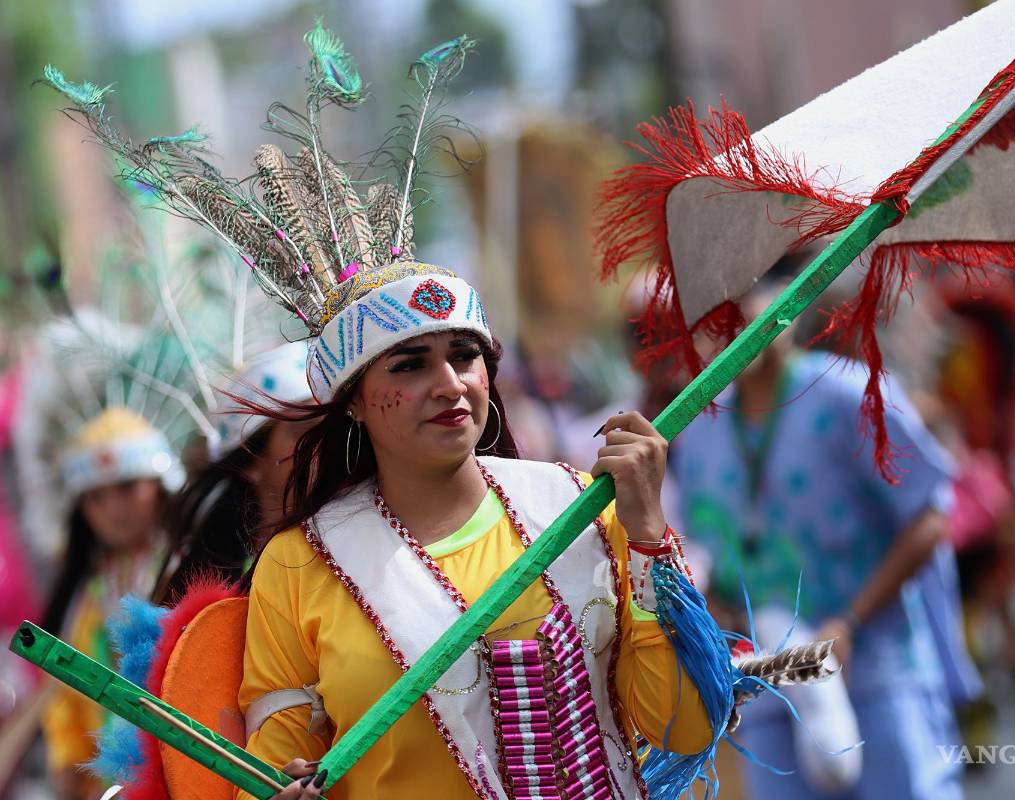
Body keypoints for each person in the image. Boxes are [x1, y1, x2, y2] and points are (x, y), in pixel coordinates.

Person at [42, 25, 735, 800]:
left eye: (464, 356)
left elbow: (682, 727)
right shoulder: (299, 568)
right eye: (409, 365)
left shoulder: (577, 507)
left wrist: (649, 540)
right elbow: (271, 770)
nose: (449, 384)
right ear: (354, 404)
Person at [672, 278, 962, 800]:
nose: (734, 327)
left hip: (878, 672)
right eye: (715, 317)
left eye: (747, 305)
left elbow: (929, 516)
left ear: (786, 303)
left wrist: (848, 623)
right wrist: (719, 614)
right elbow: (706, 555)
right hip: (769, 684)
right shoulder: (698, 431)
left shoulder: (849, 393)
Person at [40, 407, 183, 800]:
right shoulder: (89, 592)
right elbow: (66, 689)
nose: (114, 509)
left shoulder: (191, 566)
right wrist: (68, 757)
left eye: (128, 487)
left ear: (161, 484)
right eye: (96, 497)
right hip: (107, 781)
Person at [154, 341, 314, 603]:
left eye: (335, 426)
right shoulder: (217, 596)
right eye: (303, 430)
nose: (325, 442)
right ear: (251, 462)